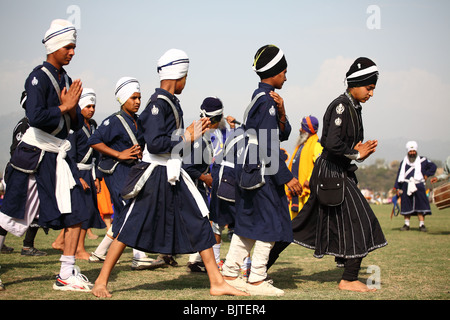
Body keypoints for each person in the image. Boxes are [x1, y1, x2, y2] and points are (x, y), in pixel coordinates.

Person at [91, 48, 248, 298]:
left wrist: (188, 133)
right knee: (129, 224)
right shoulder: (158, 103)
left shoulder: (169, 102)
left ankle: (216, 282)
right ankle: (101, 281)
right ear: (179, 75)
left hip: (172, 172)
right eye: (187, 76)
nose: (187, 81)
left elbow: (167, 139)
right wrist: (187, 136)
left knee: (199, 218)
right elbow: (154, 144)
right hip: (155, 174)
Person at [0, 19, 94, 291]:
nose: (72, 52)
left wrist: (73, 109)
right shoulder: (38, 76)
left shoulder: (65, 78)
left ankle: (65, 274)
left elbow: (73, 126)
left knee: (77, 212)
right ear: (54, 45)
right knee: (7, 216)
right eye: (68, 47)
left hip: (57, 156)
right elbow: (36, 116)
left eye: (74, 47)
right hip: (34, 155)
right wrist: (65, 106)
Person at [289, 57, 388, 292]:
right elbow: (331, 143)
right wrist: (355, 152)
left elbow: (341, 147)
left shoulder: (354, 107)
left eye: (373, 88)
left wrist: (358, 155)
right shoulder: (341, 106)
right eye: (369, 87)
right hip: (331, 174)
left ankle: (258, 269)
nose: (371, 93)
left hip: (336, 172)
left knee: (301, 225)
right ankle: (349, 279)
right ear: (355, 83)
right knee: (364, 221)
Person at [221, 45, 302, 296]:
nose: (286, 78)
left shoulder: (264, 99)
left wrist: (283, 112)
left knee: (248, 224)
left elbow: (284, 134)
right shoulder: (266, 100)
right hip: (264, 172)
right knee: (270, 224)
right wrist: (287, 178)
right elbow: (268, 144)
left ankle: (230, 273)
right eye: (285, 72)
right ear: (275, 72)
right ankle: (256, 278)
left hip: (253, 169)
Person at [87, 77, 163, 270]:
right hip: (116, 172)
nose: (137, 101)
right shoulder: (113, 120)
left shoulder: (139, 121)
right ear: (122, 99)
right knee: (130, 211)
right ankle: (138, 255)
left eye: (139, 97)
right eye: (133, 98)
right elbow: (95, 140)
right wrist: (119, 154)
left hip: (133, 172)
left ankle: (100, 253)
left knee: (127, 212)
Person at [52, 88, 106, 260]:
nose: (91, 109)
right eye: (88, 106)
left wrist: (97, 176)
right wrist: (78, 177)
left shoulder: (94, 126)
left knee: (85, 211)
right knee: (81, 211)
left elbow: (97, 153)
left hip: (89, 172)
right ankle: (79, 248)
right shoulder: (74, 126)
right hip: (76, 172)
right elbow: (70, 154)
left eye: (93, 106)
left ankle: (62, 242)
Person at [266, 115, 323, 270]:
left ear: (309, 129)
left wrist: (310, 180)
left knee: (289, 231)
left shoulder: (316, 146)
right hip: (294, 195)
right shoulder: (301, 146)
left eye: (303, 126)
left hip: (305, 196)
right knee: (285, 230)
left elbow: (320, 164)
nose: (299, 129)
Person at [0, 92, 48, 257]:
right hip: (20, 173)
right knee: (10, 211)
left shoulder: (38, 125)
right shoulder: (24, 125)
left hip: (34, 173)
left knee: (36, 211)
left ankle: (28, 246)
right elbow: (16, 152)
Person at [394, 141, 437, 232]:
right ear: (408, 152)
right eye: (410, 151)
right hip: (405, 185)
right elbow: (399, 175)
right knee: (406, 205)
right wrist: (397, 187)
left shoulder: (423, 160)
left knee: (420, 205)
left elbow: (433, 167)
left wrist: (427, 174)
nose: (412, 153)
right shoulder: (403, 162)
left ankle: (422, 225)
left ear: (416, 151)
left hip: (419, 185)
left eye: (413, 151)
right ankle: (406, 224)